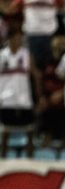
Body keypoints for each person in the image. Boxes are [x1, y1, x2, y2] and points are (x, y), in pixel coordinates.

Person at [0, 30, 40, 159]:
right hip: (6, 99)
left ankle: (31, 161)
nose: (19, 42)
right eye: (16, 39)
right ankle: (3, 161)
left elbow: (36, 75)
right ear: (10, 40)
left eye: (20, 39)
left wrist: (39, 97)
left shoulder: (26, 55)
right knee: (5, 133)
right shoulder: (2, 55)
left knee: (29, 132)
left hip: (24, 99)